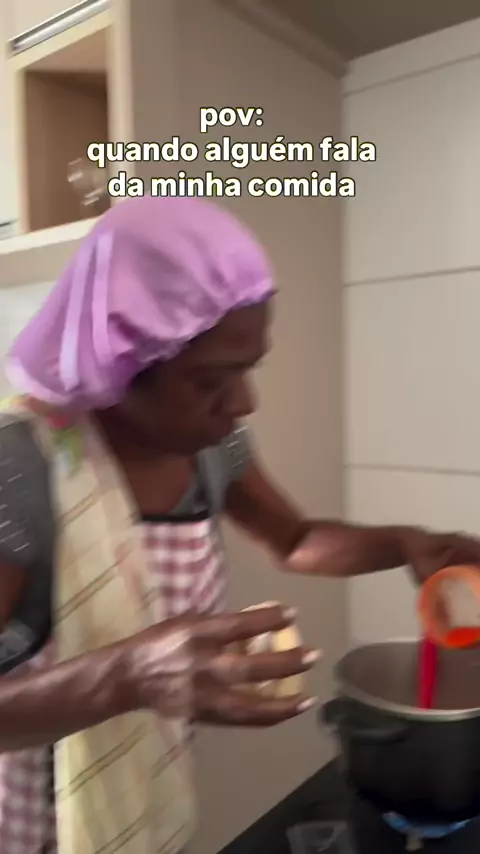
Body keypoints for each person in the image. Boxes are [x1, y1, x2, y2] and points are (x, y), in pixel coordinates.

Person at [0, 195, 479, 854]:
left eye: (248, 370)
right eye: (210, 381)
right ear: (121, 363)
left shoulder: (210, 449)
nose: (243, 402)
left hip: (143, 798)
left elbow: (296, 540)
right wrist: (128, 677)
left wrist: (404, 545)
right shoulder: (21, 469)